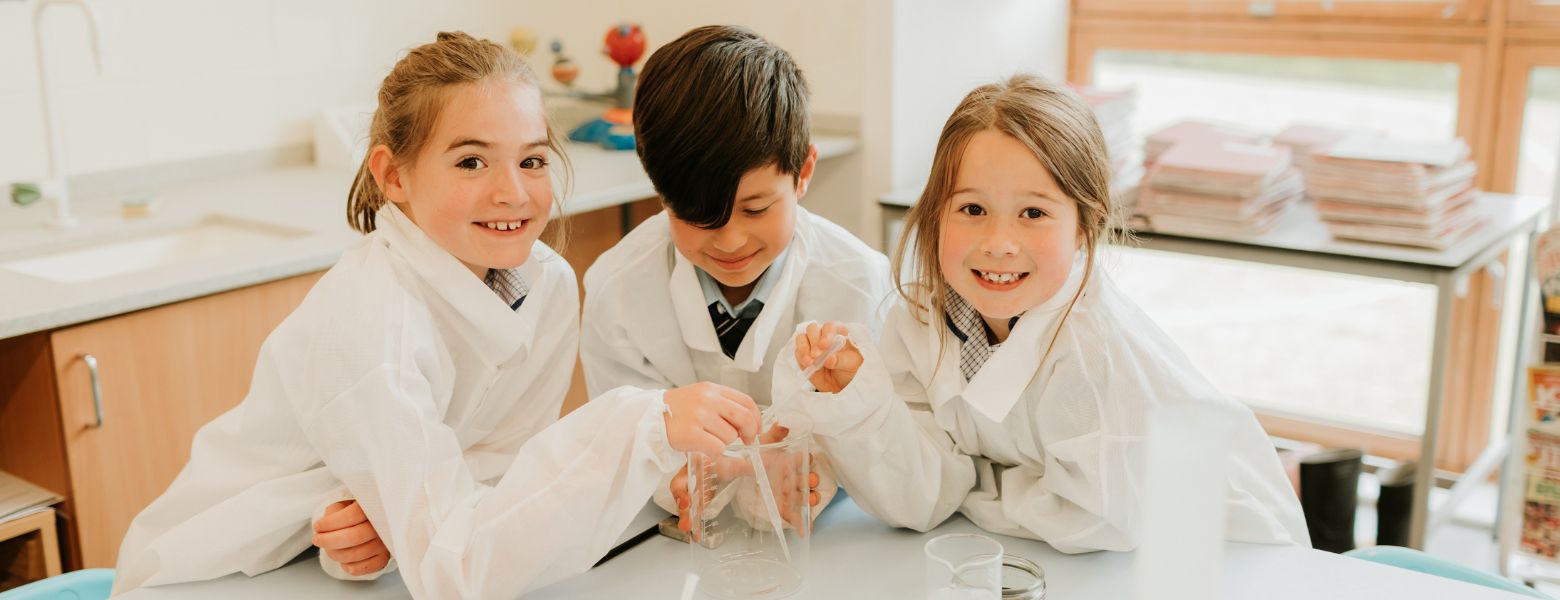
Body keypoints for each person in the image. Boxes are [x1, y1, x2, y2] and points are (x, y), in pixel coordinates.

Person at [112, 31, 760, 598]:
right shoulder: (374, 322)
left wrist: (380, 535)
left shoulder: (548, 286)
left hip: (317, 571)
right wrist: (641, 425)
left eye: (532, 160)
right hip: (208, 578)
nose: (512, 192)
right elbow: (457, 575)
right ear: (393, 177)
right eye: (472, 161)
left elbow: (499, 478)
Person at [779, 74, 1310, 553]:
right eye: (972, 210)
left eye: (1033, 213)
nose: (999, 243)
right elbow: (923, 498)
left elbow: (1092, 519)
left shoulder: (1095, 347)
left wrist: (977, 480)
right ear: (936, 212)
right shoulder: (920, 318)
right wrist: (860, 401)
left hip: (1230, 555)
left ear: (1084, 225)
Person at [578, 25, 893, 530]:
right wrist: (677, 479)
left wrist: (813, 479)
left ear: (803, 171)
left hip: (827, 543)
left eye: (755, 208)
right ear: (658, 192)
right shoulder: (618, 287)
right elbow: (624, 429)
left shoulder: (858, 281)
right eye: (697, 216)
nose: (728, 241)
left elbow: (873, 438)